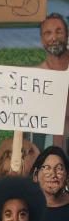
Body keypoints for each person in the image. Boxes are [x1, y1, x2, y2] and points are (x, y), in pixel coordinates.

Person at [38, 13, 69, 149]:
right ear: (42, 40)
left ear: (67, 35)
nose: (54, 38)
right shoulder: (36, 76)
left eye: (59, 32)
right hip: (49, 146)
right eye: (48, 33)